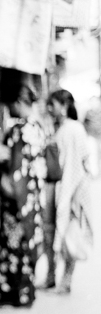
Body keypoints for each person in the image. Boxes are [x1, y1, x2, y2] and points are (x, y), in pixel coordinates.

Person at [0, 85, 46, 307]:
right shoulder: (37, 127)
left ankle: (9, 291)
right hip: (31, 198)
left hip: (14, 198)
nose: (11, 108)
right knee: (24, 243)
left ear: (19, 103)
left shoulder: (18, 130)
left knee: (11, 244)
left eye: (13, 104)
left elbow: (11, 162)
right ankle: (25, 291)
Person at [44, 90, 93, 294]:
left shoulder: (74, 129)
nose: (49, 108)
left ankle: (65, 279)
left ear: (63, 106)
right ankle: (51, 276)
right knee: (51, 232)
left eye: (52, 104)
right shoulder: (61, 127)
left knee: (69, 234)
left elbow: (81, 163)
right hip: (56, 189)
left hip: (71, 191)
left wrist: (74, 195)